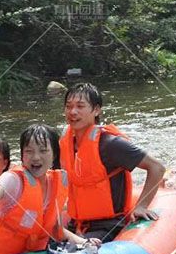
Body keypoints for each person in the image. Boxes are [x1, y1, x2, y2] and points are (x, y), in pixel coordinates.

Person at [0, 124, 95, 254]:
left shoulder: (55, 182)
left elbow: (55, 230)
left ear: (54, 154)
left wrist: (84, 243)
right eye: (29, 151)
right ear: (22, 155)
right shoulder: (13, 179)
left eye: (43, 151)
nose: (36, 157)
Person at [59, 83, 166, 242]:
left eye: (80, 106)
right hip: (77, 224)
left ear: (96, 110)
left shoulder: (110, 144)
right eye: (69, 106)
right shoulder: (65, 142)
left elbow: (157, 167)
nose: (73, 112)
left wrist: (141, 206)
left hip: (108, 225)